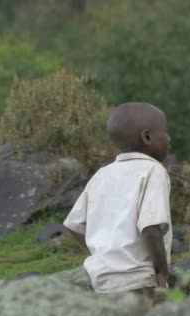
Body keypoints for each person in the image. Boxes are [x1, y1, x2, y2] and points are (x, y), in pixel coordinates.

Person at [63, 102, 172, 295]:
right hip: (139, 280)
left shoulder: (102, 174)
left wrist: (105, 252)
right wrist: (162, 270)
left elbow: (73, 225)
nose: (169, 139)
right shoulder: (153, 170)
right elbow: (151, 228)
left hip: (100, 279)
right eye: (165, 132)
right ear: (146, 137)